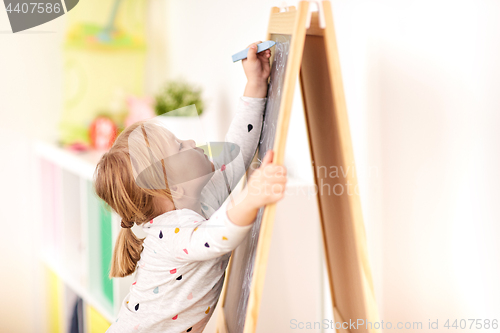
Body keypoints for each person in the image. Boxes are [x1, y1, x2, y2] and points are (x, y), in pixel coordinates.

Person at [93, 42, 287, 332]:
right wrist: (251, 198)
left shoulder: (200, 200)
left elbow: (237, 151)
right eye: (180, 147)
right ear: (175, 188)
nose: (193, 143)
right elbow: (217, 236)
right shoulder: (172, 233)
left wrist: (255, 84)